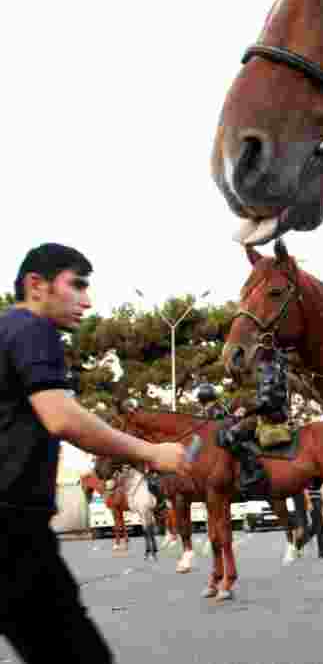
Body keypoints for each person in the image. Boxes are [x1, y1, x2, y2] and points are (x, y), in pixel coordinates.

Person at [0, 243, 191, 663]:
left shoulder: (6, 330)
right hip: (12, 529)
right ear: (36, 285)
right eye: (77, 286)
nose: (87, 301)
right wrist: (151, 452)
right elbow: (62, 418)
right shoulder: (32, 328)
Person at [220, 347, 291, 496]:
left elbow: (266, 400)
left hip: (270, 415)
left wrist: (246, 410)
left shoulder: (269, 370)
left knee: (232, 435)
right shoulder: (271, 368)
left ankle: (255, 471)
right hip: (267, 413)